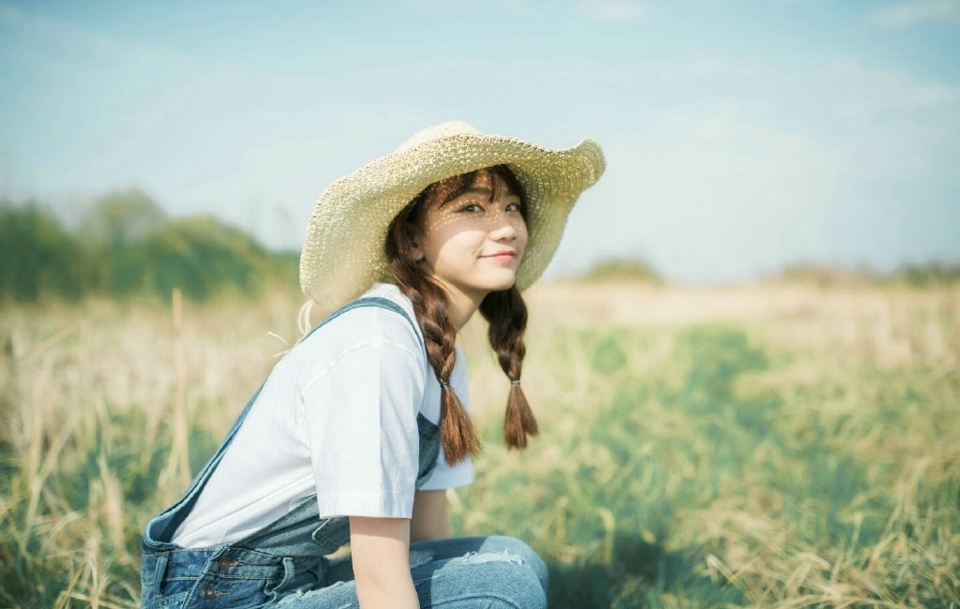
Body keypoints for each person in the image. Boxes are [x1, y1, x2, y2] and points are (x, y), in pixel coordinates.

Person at [139, 121, 605, 609]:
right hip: (216, 594)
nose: (507, 225)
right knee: (505, 589)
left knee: (514, 560)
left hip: (294, 579)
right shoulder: (378, 347)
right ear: (411, 241)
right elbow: (383, 581)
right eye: (472, 207)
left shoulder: (440, 350)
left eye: (512, 206)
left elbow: (423, 539)